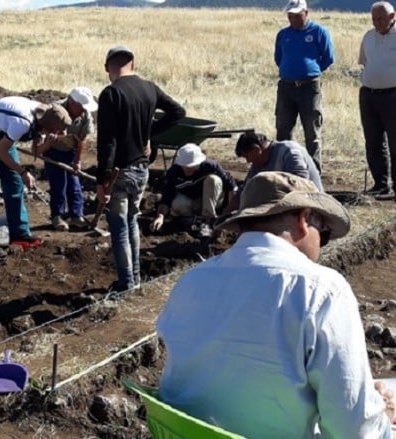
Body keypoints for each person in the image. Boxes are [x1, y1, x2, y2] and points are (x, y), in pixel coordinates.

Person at [156, 171, 395, 438]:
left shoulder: (190, 282)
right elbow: (354, 430)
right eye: (324, 234)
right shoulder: (322, 290)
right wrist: (381, 418)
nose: (321, 246)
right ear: (304, 220)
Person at [97, 45, 186, 292]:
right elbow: (178, 112)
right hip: (142, 169)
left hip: (119, 172)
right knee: (132, 221)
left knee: (119, 228)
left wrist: (101, 180)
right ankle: (135, 279)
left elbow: (107, 141)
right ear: (133, 64)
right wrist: (148, 134)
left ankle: (127, 285)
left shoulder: (110, 94)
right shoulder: (149, 88)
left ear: (108, 68)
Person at [0, 96, 72, 257]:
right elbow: (0, 151)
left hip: (4, 135)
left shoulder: (44, 118)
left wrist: (49, 143)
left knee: (15, 184)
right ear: (47, 126)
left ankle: (20, 233)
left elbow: (36, 152)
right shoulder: (22, 122)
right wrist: (23, 172)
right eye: (56, 131)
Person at [274, 0, 335, 173]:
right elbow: (278, 58)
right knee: (283, 130)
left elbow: (328, 58)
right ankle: (284, 169)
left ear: (306, 13)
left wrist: (311, 71)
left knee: (312, 131)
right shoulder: (283, 34)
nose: (293, 19)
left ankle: (314, 172)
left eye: (297, 15)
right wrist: (289, 70)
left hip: (309, 87)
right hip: (286, 87)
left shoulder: (318, 32)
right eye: (290, 16)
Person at [34, 86, 98, 231]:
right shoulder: (54, 111)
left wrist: (77, 161)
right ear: (72, 103)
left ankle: (76, 216)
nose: (83, 110)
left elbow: (82, 139)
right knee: (58, 185)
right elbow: (40, 132)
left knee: (74, 185)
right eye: (81, 107)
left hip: (70, 151)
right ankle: (57, 216)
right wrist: (48, 141)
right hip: (53, 151)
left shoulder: (85, 115)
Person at [150, 143, 237, 235]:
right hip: (192, 202)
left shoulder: (210, 166)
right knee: (177, 204)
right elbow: (167, 196)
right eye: (185, 166)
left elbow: (232, 186)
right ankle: (190, 220)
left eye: (191, 166)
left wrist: (228, 214)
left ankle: (208, 221)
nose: (188, 169)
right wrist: (160, 217)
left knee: (213, 179)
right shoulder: (173, 172)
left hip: (211, 200)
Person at [229, 131, 322, 211]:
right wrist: (225, 215)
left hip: (312, 205)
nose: (248, 161)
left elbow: (300, 184)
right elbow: (246, 190)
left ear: (257, 150)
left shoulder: (289, 151)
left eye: (247, 156)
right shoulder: (258, 164)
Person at [359, 1, 396, 199]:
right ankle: (380, 185)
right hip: (369, 95)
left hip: (393, 95)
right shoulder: (368, 37)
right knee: (373, 142)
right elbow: (364, 62)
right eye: (374, 19)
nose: (376, 22)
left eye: (380, 18)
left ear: (393, 17)